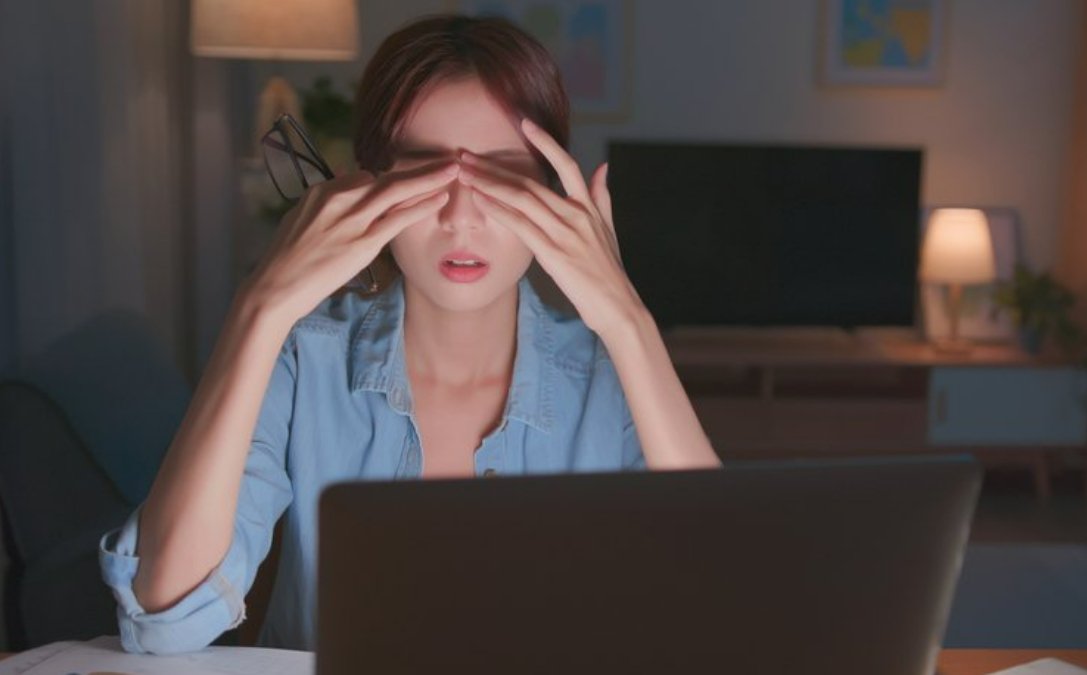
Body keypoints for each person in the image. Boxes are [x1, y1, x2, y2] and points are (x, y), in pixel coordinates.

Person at [98, 13, 720, 655]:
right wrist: (259, 309)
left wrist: (628, 321)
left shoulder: (610, 381)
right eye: (426, 171)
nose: (461, 217)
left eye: (502, 177)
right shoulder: (304, 359)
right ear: (367, 185)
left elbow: (729, 606)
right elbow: (166, 620)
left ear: (555, 196)